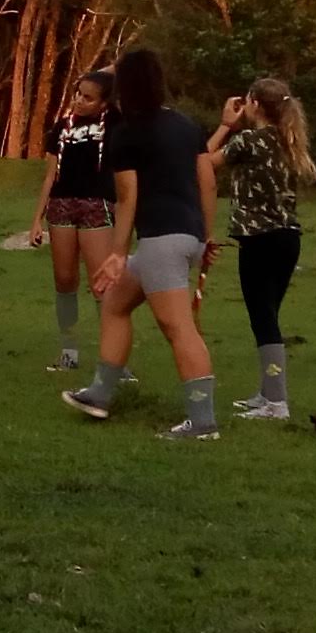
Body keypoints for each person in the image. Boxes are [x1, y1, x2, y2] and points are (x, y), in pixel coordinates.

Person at [63, 47, 219, 438]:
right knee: (115, 303)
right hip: (185, 235)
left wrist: (117, 253)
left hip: (161, 240)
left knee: (178, 328)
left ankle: (202, 422)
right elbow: (208, 182)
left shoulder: (127, 133)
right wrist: (205, 237)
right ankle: (100, 394)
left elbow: (127, 199)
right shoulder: (185, 125)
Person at [207, 76, 316, 420]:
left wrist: (226, 125)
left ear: (253, 104)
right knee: (268, 316)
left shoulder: (248, 141)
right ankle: (267, 393)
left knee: (263, 319)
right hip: (288, 239)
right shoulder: (289, 141)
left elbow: (204, 162)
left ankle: (276, 402)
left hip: (259, 239)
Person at [26, 66, 117, 373]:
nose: (79, 100)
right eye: (78, 94)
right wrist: (36, 219)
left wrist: (108, 73)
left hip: (96, 204)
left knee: (101, 283)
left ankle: (114, 357)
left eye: (88, 98)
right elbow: (49, 175)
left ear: (104, 102)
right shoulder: (62, 127)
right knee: (64, 280)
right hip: (61, 205)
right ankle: (69, 351)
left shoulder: (114, 122)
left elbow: (124, 73)